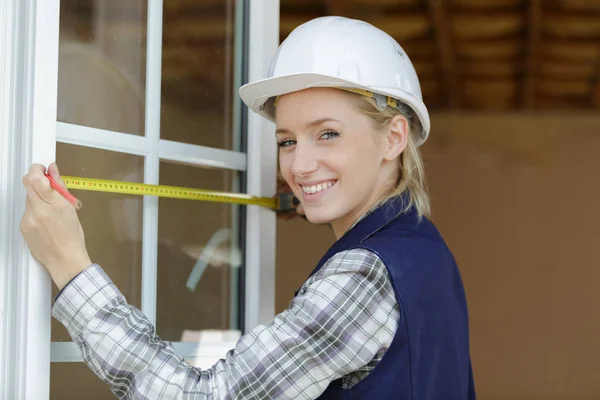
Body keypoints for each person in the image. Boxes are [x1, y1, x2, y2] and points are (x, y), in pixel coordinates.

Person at [20, 16, 475, 399]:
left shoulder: (362, 278)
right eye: (287, 141)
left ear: (394, 137)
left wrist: (70, 266)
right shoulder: (421, 248)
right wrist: (319, 189)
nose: (299, 163)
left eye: (328, 134)